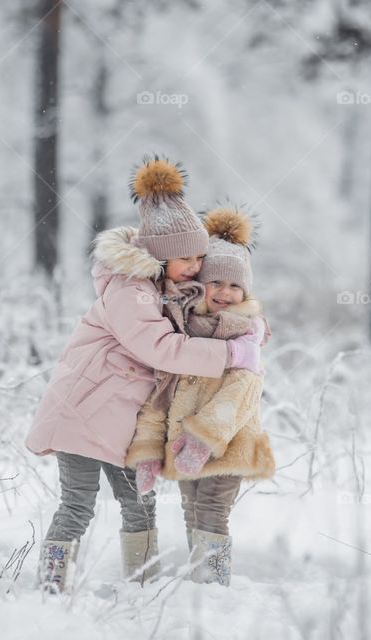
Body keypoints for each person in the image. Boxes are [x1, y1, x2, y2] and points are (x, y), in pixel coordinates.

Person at [25, 158, 264, 592]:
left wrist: (249, 324)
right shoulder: (129, 291)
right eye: (185, 258)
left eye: (199, 257)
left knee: (140, 504)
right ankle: (50, 584)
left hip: (123, 422)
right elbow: (162, 348)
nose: (195, 266)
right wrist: (231, 352)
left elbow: (209, 315)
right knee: (78, 505)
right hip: (82, 413)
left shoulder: (162, 289)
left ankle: (142, 584)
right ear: (159, 255)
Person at [125, 205, 275, 586]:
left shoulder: (246, 336)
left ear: (246, 291)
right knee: (191, 509)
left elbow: (241, 393)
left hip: (228, 444)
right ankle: (200, 582)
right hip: (182, 446)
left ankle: (214, 585)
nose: (226, 292)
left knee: (211, 509)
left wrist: (203, 438)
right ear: (200, 285)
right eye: (216, 282)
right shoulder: (183, 334)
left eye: (235, 286)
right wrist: (147, 450)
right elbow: (161, 395)